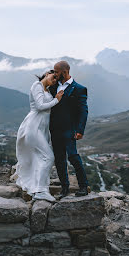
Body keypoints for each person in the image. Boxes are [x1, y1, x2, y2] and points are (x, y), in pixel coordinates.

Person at [15, 70, 64, 202]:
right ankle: (41, 191)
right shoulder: (36, 85)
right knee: (48, 157)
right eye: (54, 77)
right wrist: (56, 100)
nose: (54, 81)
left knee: (40, 158)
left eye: (56, 80)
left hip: (42, 128)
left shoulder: (46, 89)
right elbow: (40, 106)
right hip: (34, 126)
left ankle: (40, 189)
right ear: (47, 73)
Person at [49, 61, 90, 198]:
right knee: (59, 159)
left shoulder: (79, 89)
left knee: (73, 156)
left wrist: (80, 130)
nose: (54, 74)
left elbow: (83, 111)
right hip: (55, 130)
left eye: (56, 71)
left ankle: (83, 186)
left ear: (64, 72)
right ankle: (64, 189)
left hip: (70, 129)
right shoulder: (53, 87)